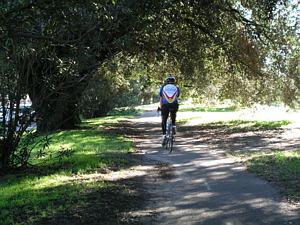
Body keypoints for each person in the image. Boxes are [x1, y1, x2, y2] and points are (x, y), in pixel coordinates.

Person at [158, 74, 180, 144]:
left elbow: (161, 98)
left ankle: (164, 135)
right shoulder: (176, 87)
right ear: (174, 82)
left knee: (164, 119)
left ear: (167, 81)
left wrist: (161, 107)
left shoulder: (163, 87)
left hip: (165, 105)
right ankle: (173, 126)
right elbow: (177, 97)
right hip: (174, 104)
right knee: (174, 113)